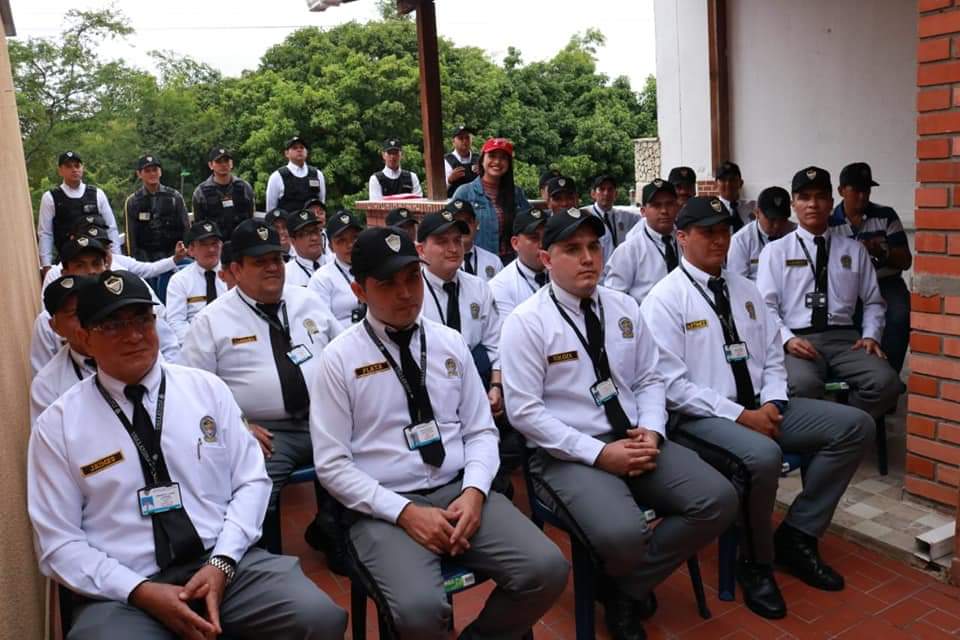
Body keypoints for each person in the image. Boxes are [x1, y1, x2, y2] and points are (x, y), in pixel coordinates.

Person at [28, 269, 348, 639]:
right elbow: (58, 542)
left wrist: (223, 561)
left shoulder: (206, 390)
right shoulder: (59, 425)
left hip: (225, 564)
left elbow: (251, 480)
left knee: (318, 616)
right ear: (83, 336)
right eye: (113, 325)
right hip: (125, 587)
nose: (133, 335)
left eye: (142, 320)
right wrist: (139, 591)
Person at [311, 226, 568, 640]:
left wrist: (475, 491)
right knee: (420, 611)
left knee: (547, 568)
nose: (405, 293)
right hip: (384, 505)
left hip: (457, 489)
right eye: (387, 284)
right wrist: (405, 513)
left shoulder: (450, 344)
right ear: (359, 291)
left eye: (412, 278)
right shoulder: (339, 359)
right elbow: (332, 465)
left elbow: (481, 431)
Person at [500, 208, 737, 640]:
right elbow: (526, 414)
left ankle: (623, 587)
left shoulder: (624, 306)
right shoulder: (526, 322)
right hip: (568, 453)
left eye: (594, 246)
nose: (588, 258)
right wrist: (599, 453)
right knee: (624, 532)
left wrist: (652, 429)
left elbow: (648, 378)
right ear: (547, 258)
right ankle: (627, 580)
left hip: (632, 436)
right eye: (572, 250)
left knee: (717, 498)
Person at [641, 196, 872, 620]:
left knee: (854, 426)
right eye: (707, 231)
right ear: (682, 237)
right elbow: (672, 387)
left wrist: (770, 402)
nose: (719, 239)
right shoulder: (664, 300)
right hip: (701, 419)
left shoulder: (747, 290)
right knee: (763, 457)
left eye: (724, 230)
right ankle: (755, 563)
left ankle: (798, 535)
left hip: (761, 407)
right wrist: (741, 417)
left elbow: (771, 357)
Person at [180, 219, 342, 556]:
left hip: (325, 418)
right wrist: (238, 428)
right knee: (258, 493)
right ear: (235, 270)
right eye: (260, 262)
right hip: (266, 433)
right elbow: (191, 393)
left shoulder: (307, 301)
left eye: (276, 259)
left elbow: (344, 352)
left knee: (368, 463)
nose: (273, 267)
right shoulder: (211, 321)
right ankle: (266, 560)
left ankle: (335, 534)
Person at [756, 167, 901, 420]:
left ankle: (846, 427)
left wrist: (871, 335)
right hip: (798, 342)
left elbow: (874, 302)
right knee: (801, 386)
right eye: (804, 197)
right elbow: (765, 307)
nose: (813, 204)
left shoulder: (854, 250)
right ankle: (826, 436)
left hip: (845, 340)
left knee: (887, 383)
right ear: (793, 204)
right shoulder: (776, 252)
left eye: (820, 197)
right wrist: (787, 339)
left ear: (831, 202)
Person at [31, 235, 181, 375]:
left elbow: (168, 345)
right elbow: (43, 371)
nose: (90, 272)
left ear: (106, 267)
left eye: (96, 264)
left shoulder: (130, 300)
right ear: (64, 273)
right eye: (80, 266)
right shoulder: (51, 318)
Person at [417, 207, 503, 410]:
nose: (453, 248)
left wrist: (497, 385)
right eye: (442, 242)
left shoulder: (479, 286)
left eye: (457, 240)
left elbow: (495, 342)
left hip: (479, 381)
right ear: (421, 250)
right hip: (431, 385)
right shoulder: (412, 292)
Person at [831, 162, 913, 374]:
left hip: (885, 282)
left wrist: (882, 252)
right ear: (841, 191)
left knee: (899, 316)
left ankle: (890, 377)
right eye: (856, 190)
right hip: (846, 285)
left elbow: (905, 260)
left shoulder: (886, 215)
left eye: (866, 190)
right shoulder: (829, 222)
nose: (862, 196)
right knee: (845, 323)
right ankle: (854, 378)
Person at [41, 215, 185, 297]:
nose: (91, 270)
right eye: (80, 265)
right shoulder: (55, 275)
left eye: (104, 246)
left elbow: (149, 270)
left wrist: (175, 259)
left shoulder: (123, 269)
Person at [36, 151, 122, 276]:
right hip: (68, 263)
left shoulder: (97, 194)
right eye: (69, 166)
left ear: (82, 168)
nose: (74, 170)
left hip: (98, 262)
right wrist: (46, 265)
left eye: (77, 166)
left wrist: (116, 258)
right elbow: (45, 233)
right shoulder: (50, 198)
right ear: (60, 170)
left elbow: (111, 228)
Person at [29, 274, 97, 424]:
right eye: (74, 314)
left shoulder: (130, 349)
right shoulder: (47, 385)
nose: (86, 319)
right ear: (55, 327)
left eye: (89, 308)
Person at [451, 137, 531, 262]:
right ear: (482, 160)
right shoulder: (465, 192)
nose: (497, 161)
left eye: (503, 158)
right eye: (492, 156)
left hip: (511, 262)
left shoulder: (516, 193)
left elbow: (530, 224)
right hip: (477, 262)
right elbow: (448, 227)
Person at [604, 179, 682, 304]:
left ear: (677, 207)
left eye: (669, 204)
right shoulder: (629, 250)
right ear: (643, 211)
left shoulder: (687, 241)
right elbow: (615, 298)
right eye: (656, 205)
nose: (664, 211)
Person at [165, 221, 227, 344]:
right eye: (204, 244)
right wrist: (201, 344)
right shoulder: (179, 281)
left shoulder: (234, 275)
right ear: (191, 250)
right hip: (195, 344)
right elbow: (176, 322)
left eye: (215, 243)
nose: (211, 249)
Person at [123, 155, 190, 264]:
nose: (152, 174)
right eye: (147, 171)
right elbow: (130, 238)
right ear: (139, 174)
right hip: (146, 260)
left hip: (174, 255)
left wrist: (185, 252)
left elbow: (186, 228)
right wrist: (134, 262)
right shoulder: (132, 201)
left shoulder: (174, 197)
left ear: (160, 172)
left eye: (155, 170)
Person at [489, 208, 550, 319]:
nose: (542, 244)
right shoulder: (500, 286)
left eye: (546, 237)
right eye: (534, 238)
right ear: (515, 243)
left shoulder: (562, 271)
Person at [308, 211, 366, 326]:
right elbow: (322, 323)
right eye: (341, 241)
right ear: (331, 247)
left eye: (355, 238)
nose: (350, 245)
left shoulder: (375, 267)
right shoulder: (322, 279)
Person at [726, 186, 796, 280]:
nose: (777, 225)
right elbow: (737, 282)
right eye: (771, 219)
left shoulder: (797, 233)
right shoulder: (740, 241)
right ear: (757, 213)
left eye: (782, 219)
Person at [191, 146, 255, 239]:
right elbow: (199, 225)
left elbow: (251, 217)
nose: (223, 164)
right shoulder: (201, 192)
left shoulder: (245, 187)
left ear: (231, 163)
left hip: (243, 242)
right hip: (215, 245)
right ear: (210, 165)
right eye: (219, 162)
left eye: (226, 161)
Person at [585, 175, 640, 265]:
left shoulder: (626, 217)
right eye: (602, 189)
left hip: (621, 270)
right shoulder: (585, 216)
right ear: (593, 194)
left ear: (616, 194)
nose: (606, 193)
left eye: (610, 189)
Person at [265, 136, 327, 212]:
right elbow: (271, 210)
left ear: (307, 152)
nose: (299, 150)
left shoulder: (317, 174)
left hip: (312, 223)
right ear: (286, 153)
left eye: (302, 147)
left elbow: (321, 203)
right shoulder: (277, 177)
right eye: (294, 148)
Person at [451, 199, 503, 281]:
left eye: (468, 221)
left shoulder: (493, 261)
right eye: (457, 223)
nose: (464, 228)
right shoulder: (441, 264)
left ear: (476, 224)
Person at [284, 208, 328, 287]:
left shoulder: (337, 263)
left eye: (316, 231)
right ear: (293, 241)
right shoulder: (286, 274)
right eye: (305, 234)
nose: (314, 238)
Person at [715, 161, 756, 232]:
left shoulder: (754, 207)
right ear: (715, 184)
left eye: (732, 179)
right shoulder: (711, 209)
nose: (728, 184)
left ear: (741, 183)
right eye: (723, 180)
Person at [444, 124, 479, 197]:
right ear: (453, 142)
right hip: (454, 203)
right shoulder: (446, 161)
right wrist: (449, 180)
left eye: (467, 138)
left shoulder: (479, 159)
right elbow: (437, 191)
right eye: (461, 138)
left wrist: (483, 174)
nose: (465, 141)